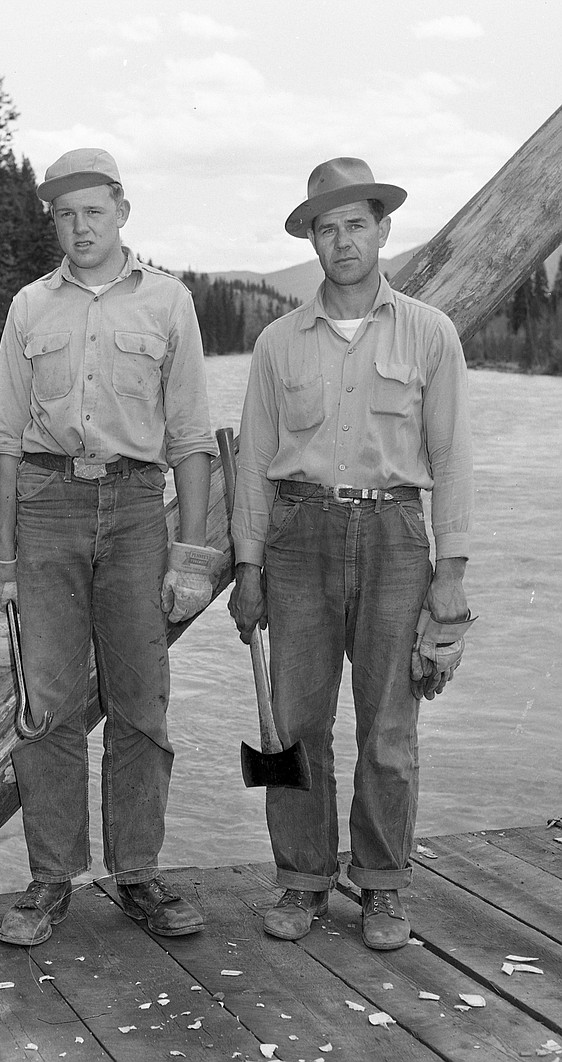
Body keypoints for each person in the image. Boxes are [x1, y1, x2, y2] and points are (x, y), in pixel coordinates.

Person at [228, 158, 475, 950]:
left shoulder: (430, 333)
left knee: (389, 727)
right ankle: (301, 880)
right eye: (325, 228)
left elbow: (454, 458)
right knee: (293, 726)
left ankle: (381, 886)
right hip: (298, 538)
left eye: (356, 224)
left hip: (398, 540)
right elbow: (255, 459)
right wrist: (248, 566)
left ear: (383, 231)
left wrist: (452, 574)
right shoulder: (275, 343)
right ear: (311, 238)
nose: (341, 241)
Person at [0, 148, 222, 947]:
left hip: (133, 510)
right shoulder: (28, 307)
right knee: (45, 704)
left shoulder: (169, 303)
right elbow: (8, 444)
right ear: (51, 221)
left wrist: (191, 557)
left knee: (141, 703)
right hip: (46, 506)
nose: (79, 226)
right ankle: (50, 880)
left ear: (122, 209)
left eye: (92, 210)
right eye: (63, 213)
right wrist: (3, 556)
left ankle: (138, 876)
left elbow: (191, 438)